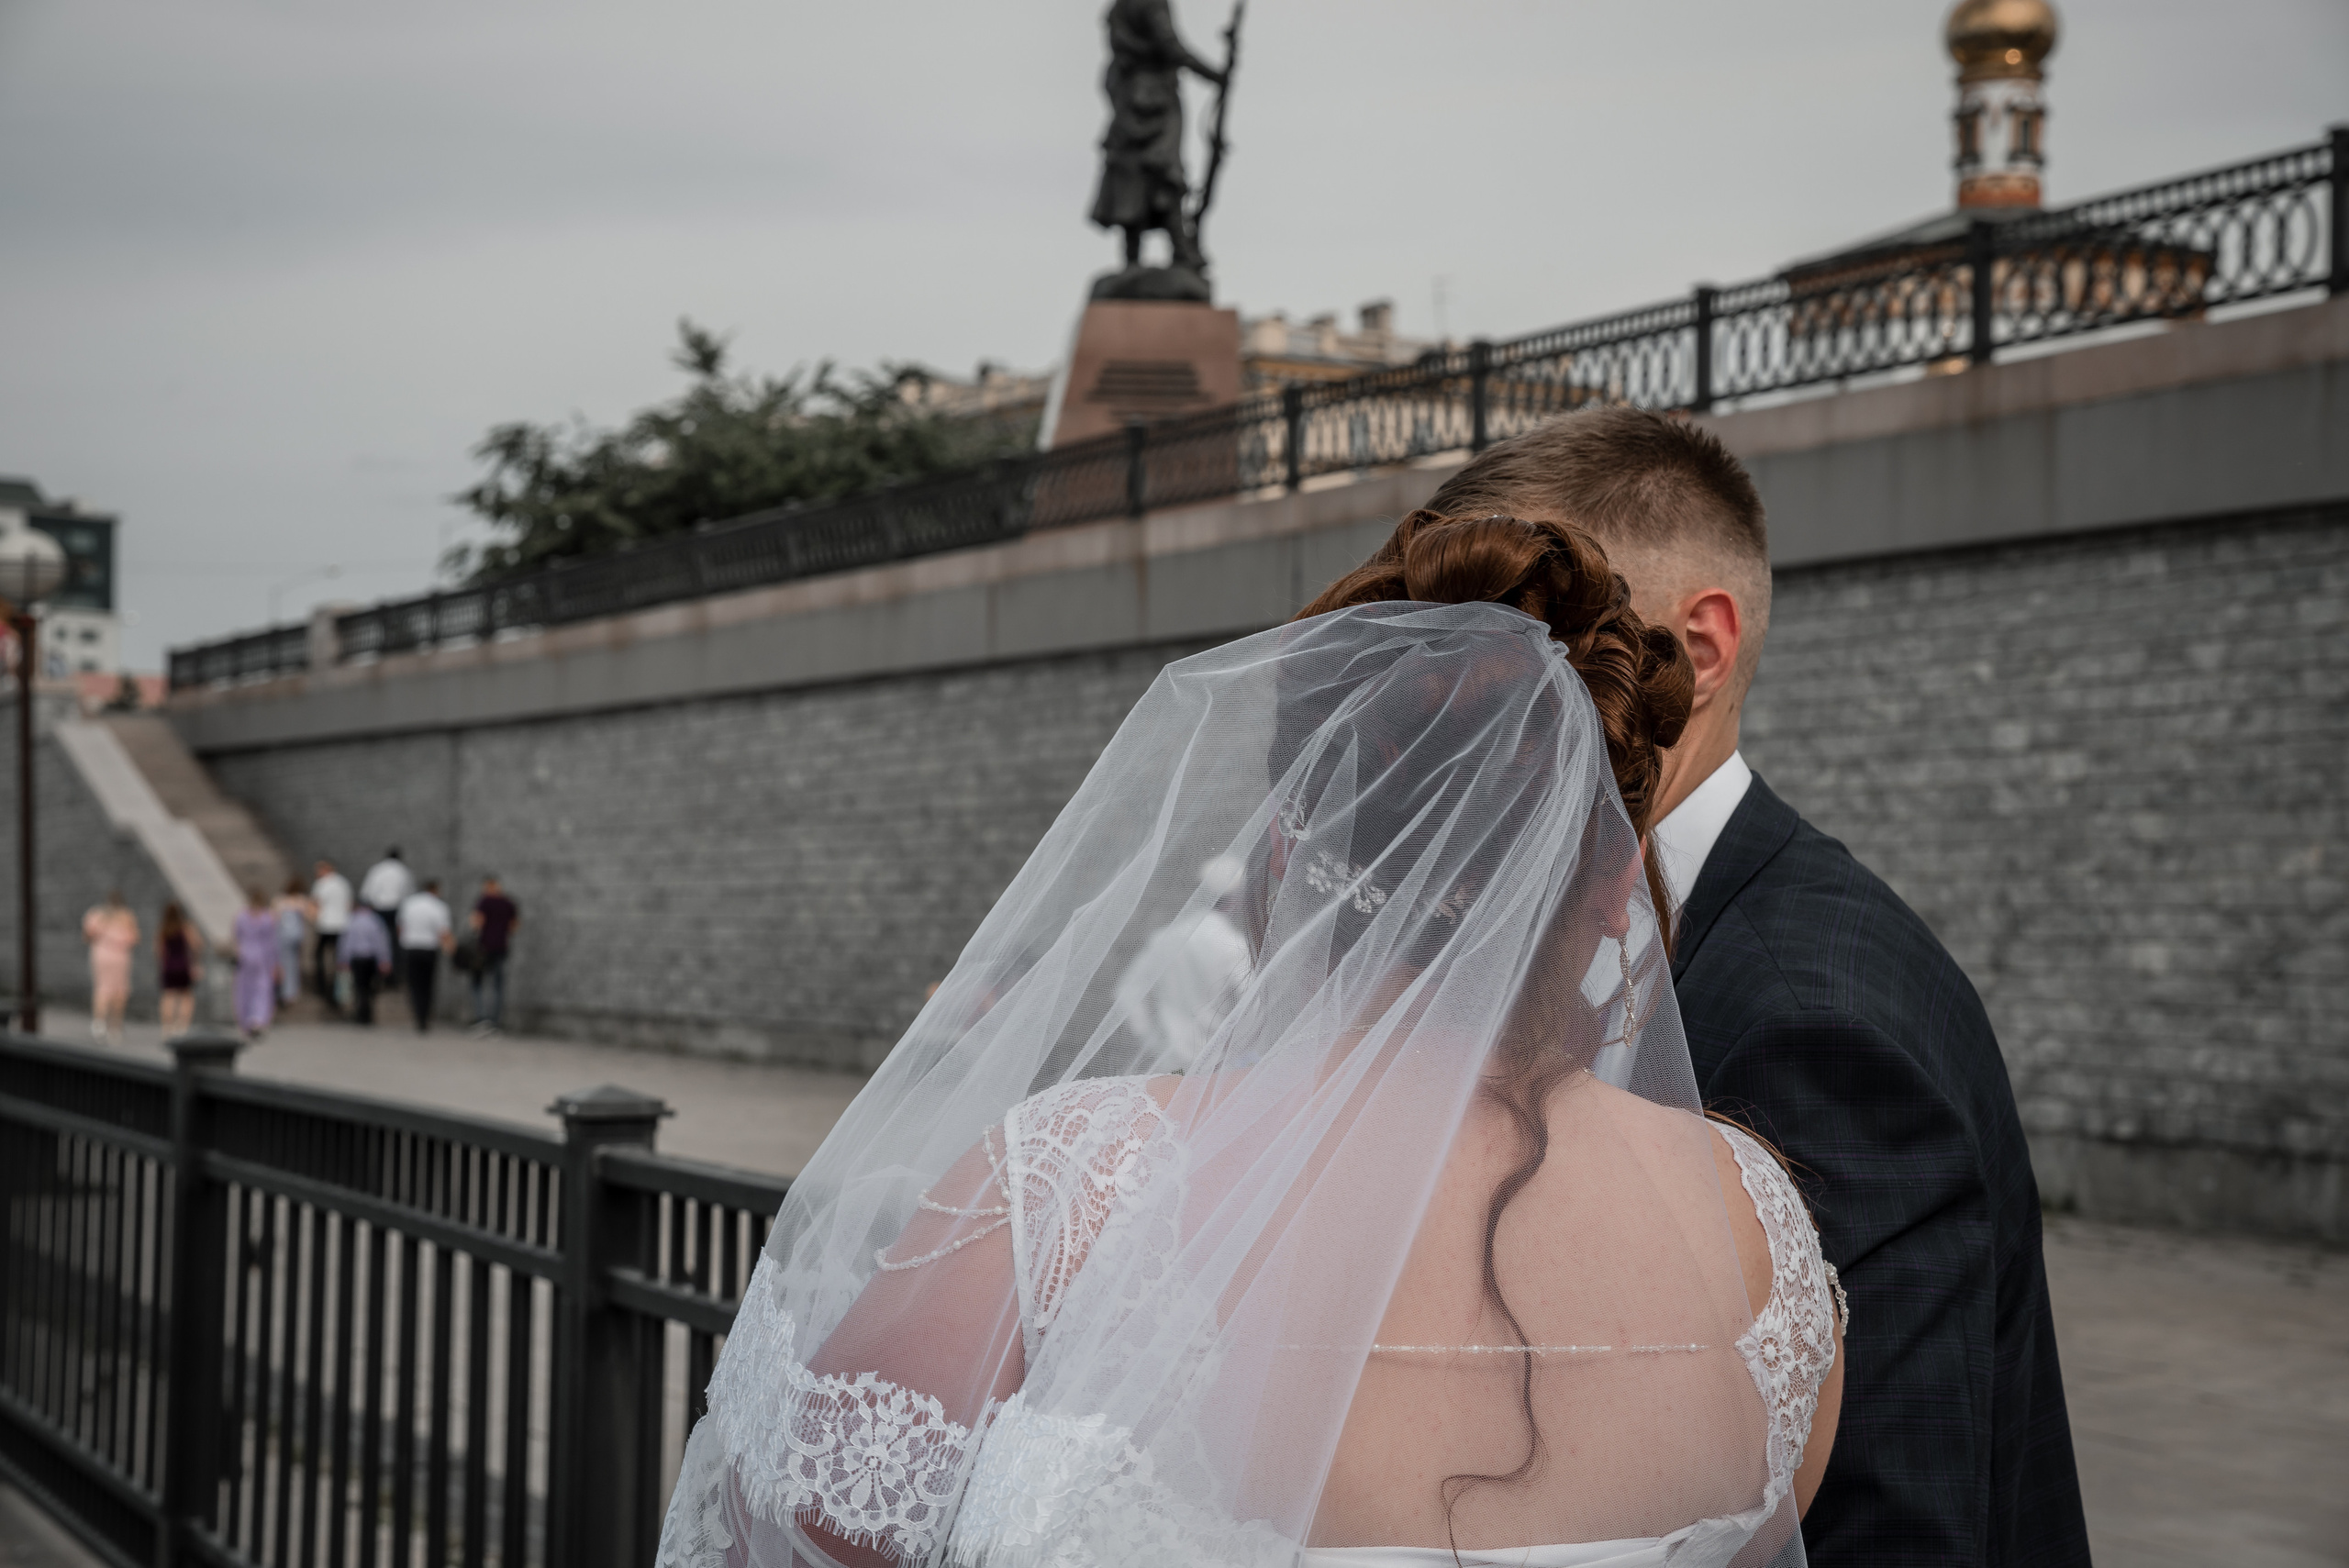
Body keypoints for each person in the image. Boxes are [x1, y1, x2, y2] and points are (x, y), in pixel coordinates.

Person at [661, 524, 1844, 1568]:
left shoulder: (1062, 1194)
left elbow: (790, 1525)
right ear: (1610, 886)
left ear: (1286, 847)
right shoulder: (1755, 1231)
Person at [1407, 407, 2088, 1567]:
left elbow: (1887, 1525)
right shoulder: (1583, 929)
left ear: (1702, 647)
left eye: (1523, 641)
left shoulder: (1812, 1020)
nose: (1467, 697)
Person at [80, 891, 139, 1042]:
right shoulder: (127, 916)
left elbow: (87, 936)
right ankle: (115, 1026)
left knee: (101, 988)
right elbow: (134, 939)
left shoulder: (96, 914)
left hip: (100, 954)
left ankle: (99, 1023)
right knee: (119, 990)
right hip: (120, 956)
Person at [396, 879, 455, 1032]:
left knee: (414, 984)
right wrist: (451, 950)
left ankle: (418, 1015)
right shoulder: (439, 906)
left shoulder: (409, 904)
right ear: (435, 889)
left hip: (410, 948)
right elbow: (444, 932)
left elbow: (400, 927)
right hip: (429, 949)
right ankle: (424, 1017)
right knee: (428, 985)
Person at [467, 875, 520, 1034]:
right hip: (501, 947)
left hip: (483, 948)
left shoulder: (484, 901)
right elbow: (514, 926)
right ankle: (495, 1022)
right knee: (497, 985)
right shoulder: (508, 903)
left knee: (477, 983)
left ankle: (481, 1018)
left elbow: (477, 923)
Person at [359, 847, 416, 985]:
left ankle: (380, 975)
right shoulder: (404, 871)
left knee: (379, 941)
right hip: (397, 910)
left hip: (379, 909)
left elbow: (366, 894)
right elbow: (410, 894)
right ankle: (395, 975)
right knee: (396, 942)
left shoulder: (377, 870)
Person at [230, 887, 279, 1040]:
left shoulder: (241, 917)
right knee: (262, 989)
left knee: (244, 989)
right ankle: (257, 1019)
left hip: (245, 955)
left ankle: (245, 1021)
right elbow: (273, 942)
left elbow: (236, 937)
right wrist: (276, 963)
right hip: (263, 957)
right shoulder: (267, 917)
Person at [309, 858, 354, 1012]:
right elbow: (349, 905)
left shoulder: (322, 884)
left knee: (319, 955)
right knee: (339, 959)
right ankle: (339, 989)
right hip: (342, 925)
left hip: (326, 925)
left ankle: (323, 987)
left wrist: (312, 920)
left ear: (326, 869)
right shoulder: (344, 883)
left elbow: (315, 905)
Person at [339, 904, 392, 1026]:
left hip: (357, 958)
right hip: (370, 958)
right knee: (369, 987)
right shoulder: (376, 921)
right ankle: (367, 1013)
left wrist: (343, 960)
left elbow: (346, 942)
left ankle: (361, 1012)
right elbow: (381, 942)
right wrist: (385, 960)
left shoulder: (352, 921)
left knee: (359, 987)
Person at [156, 901, 201, 1037]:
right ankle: (182, 1026)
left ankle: (167, 1027)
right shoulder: (186, 927)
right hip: (183, 965)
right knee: (186, 997)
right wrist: (196, 963)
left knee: (168, 996)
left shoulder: (163, 928)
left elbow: (159, 951)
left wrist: (163, 965)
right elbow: (197, 945)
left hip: (169, 965)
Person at [272, 877, 309, 1006]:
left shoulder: (280, 900)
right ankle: (291, 992)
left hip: (282, 936)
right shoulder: (301, 901)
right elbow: (311, 915)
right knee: (293, 965)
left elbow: (274, 917)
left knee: (282, 964)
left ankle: (284, 991)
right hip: (295, 936)